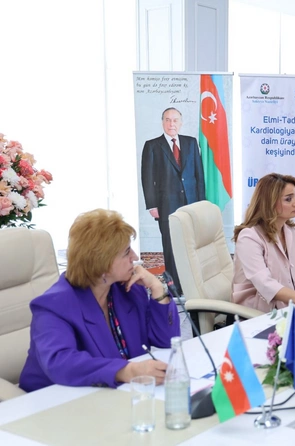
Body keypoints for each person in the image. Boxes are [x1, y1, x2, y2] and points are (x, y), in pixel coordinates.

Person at [19, 209, 180, 392]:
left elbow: (167, 341)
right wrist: (127, 371)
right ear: (102, 263)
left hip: (116, 394)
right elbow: (60, 362)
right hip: (55, 399)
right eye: (126, 252)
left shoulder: (128, 289)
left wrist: (158, 288)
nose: (135, 257)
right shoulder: (53, 306)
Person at [141, 107, 206, 294]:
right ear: (163, 122)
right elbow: (147, 178)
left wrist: (201, 203)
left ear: (181, 122)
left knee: (190, 244)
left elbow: (198, 175)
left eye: (175, 120)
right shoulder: (152, 146)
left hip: (191, 203)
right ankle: (175, 286)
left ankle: (192, 283)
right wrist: (152, 205)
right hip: (166, 204)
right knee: (170, 246)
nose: (171, 124)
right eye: (168, 120)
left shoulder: (191, 143)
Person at [232, 173, 295, 312]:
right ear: (270, 203)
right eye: (288, 199)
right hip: (255, 313)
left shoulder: (290, 231)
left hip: (286, 307)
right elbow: (264, 283)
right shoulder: (249, 237)